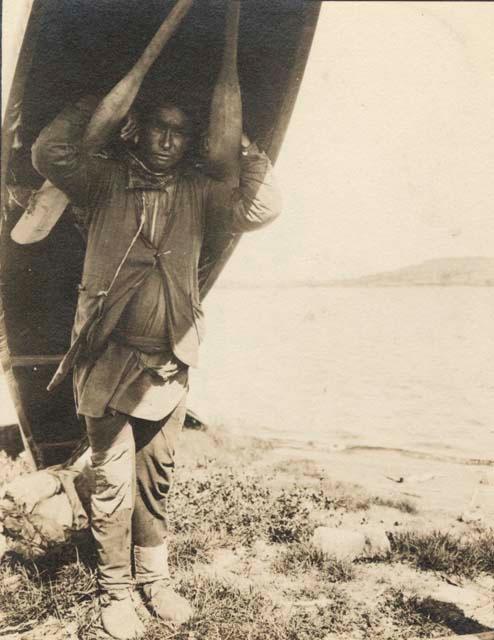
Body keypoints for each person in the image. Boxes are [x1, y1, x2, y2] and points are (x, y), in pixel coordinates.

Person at [31, 78, 280, 640]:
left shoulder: (202, 191)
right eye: (158, 128)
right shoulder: (102, 181)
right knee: (113, 478)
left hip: (170, 358)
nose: (168, 141)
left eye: (179, 132)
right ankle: (114, 592)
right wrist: (94, 99)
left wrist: (241, 145)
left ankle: (156, 580)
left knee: (156, 477)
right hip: (104, 355)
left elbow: (263, 206)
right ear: (136, 129)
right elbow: (50, 152)